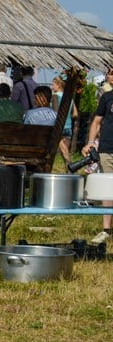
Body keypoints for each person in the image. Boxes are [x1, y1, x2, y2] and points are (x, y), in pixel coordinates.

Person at [83, 74, 113, 244]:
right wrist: (90, 143)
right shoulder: (107, 97)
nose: (110, 75)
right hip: (107, 148)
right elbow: (96, 122)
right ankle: (106, 230)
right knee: (108, 190)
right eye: (109, 72)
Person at [51, 76, 76, 165]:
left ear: (58, 85)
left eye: (53, 85)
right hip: (69, 126)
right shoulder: (69, 97)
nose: (52, 87)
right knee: (64, 151)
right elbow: (75, 113)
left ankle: (71, 166)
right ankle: (69, 170)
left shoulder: (55, 96)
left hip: (59, 126)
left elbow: (55, 113)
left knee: (63, 152)